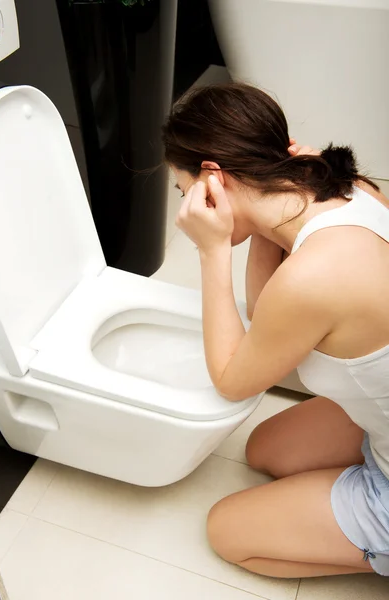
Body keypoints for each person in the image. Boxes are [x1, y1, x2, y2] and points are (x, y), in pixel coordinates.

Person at [161, 82, 389, 579]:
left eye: (184, 190)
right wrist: (273, 194)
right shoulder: (352, 192)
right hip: (381, 423)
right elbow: (270, 313)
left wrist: (212, 251)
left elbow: (232, 377)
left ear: (211, 177)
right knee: (266, 449)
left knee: (227, 530)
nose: (184, 204)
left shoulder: (314, 277)